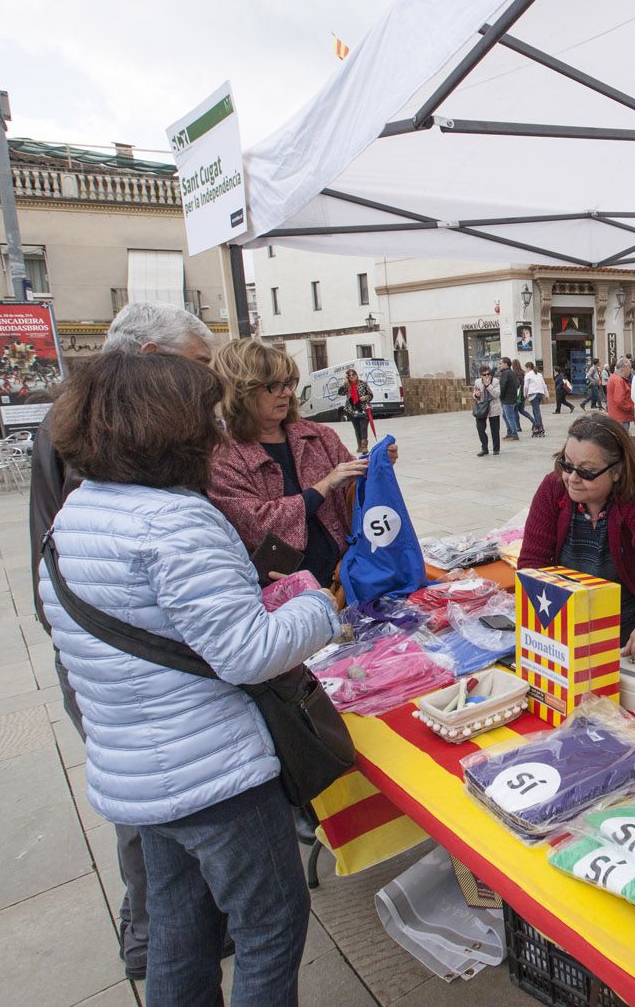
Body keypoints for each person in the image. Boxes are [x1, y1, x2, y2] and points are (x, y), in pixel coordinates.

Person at [38, 350, 337, 1005]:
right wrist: (315, 602)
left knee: (181, 935)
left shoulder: (79, 511)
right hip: (212, 773)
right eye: (203, 412)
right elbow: (247, 652)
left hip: (135, 771)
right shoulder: (174, 520)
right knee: (269, 931)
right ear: (165, 425)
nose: (213, 424)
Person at [28, 301, 215, 982]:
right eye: (196, 369)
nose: (207, 386)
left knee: (166, 863)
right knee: (164, 860)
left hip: (128, 666)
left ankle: (166, 941)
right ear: (147, 358)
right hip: (132, 672)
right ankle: (154, 941)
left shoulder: (100, 426)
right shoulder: (106, 438)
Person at [209, 339, 375, 589]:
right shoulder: (224, 457)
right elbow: (257, 525)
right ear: (240, 391)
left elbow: (356, 495)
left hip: (346, 579)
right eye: (273, 386)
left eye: (289, 382)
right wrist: (323, 486)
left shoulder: (319, 436)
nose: (286, 392)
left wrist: (372, 469)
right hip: (284, 594)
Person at [518, 414, 635, 664]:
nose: (572, 477)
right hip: (561, 615)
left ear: (616, 472)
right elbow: (531, 561)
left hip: (622, 622)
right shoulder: (553, 488)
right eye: (566, 464)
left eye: (586, 471)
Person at [336, 367, 374, 454]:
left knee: (363, 427)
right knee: (357, 428)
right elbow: (340, 392)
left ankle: (364, 447)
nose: (352, 376)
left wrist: (365, 397)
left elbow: (371, 395)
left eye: (353, 374)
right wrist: (345, 381)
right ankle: (360, 446)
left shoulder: (363, 384)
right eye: (349, 375)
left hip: (364, 409)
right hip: (352, 411)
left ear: (356, 375)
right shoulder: (347, 386)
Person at [473, 365, 502, 456]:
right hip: (481, 408)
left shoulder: (495, 381)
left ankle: (496, 449)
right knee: (480, 429)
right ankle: (484, 448)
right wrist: (476, 395)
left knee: (495, 430)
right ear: (481, 375)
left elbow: (496, 394)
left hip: (493, 407)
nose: (486, 376)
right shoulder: (477, 382)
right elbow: (474, 394)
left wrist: (488, 385)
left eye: (488, 374)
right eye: (484, 374)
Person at [607, 356, 635, 431]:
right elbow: (619, 400)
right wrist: (631, 409)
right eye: (630, 367)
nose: (630, 370)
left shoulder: (614, 377)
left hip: (616, 416)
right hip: (621, 417)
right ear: (625, 367)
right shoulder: (619, 380)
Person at [498, 359, 523, 441]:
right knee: (505, 416)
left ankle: (514, 434)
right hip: (512, 398)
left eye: (500, 363)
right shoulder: (512, 373)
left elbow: (503, 387)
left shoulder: (505, 373)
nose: (499, 365)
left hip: (507, 399)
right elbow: (518, 384)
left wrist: (500, 396)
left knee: (509, 416)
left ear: (506, 364)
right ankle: (509, 433)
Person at [524, 360, 548, 436]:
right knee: (535, 411)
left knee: (536, 411)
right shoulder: (539, 374)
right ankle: (537, 426)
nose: (526, 370)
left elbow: (526, 386)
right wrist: (547, 395)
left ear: (528, 368)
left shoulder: (528, 375)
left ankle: (540, 427)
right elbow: (544, 385)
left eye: (526, 368)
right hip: (540, 393)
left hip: (533, 394)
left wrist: (525, 394)